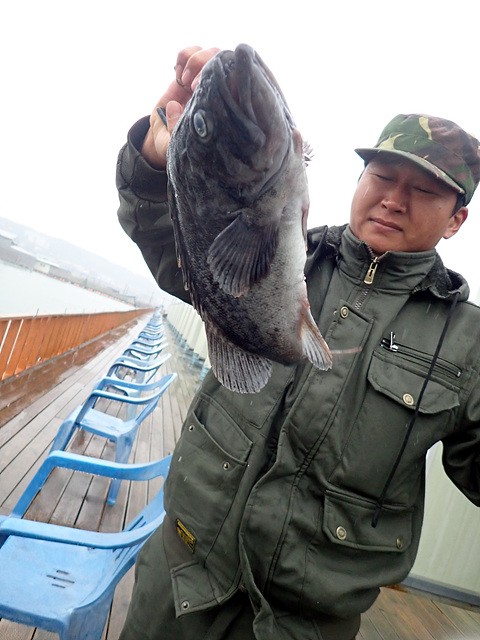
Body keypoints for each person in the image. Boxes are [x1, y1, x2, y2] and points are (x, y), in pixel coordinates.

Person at [116, 46, 480, 640]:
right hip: (179, 582)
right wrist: (155, 161)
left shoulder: (468, 343)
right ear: (359, 180)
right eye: (383, 176)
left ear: (457, 219)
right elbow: (169, 239)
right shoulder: (285, 247)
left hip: (303, 625)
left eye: (425, 190)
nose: (394, 199)